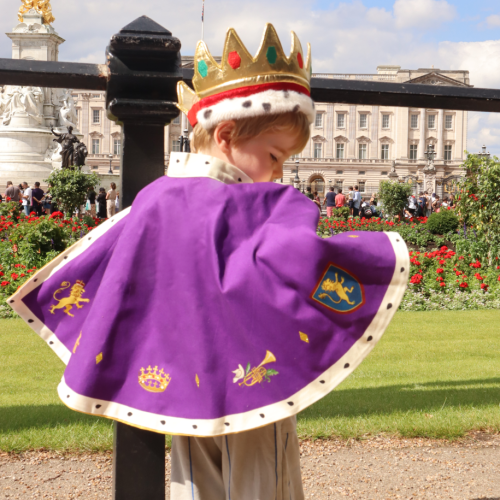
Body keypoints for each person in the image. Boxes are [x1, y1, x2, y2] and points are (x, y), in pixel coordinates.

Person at [8, 24, 408, 500]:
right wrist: (374, 252)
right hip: (257, 391)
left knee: (193, 484)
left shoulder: (156, 199)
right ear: (226, 134)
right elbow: (297, 259)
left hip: (182, 389)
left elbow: (113, 269)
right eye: (274, 156)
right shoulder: (259, 206)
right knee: (267, 483)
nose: (278, 174)